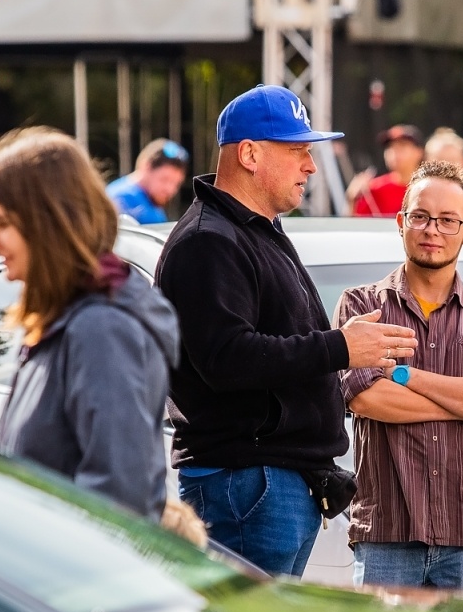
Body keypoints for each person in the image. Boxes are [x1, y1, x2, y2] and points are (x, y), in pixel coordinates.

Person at [156, 86, 419, 576]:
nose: (311, 166)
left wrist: (347, 344)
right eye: (298, 151)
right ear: (250, 153)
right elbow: (228, 359)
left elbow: (269, 343)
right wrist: (341, 346)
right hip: (247, 484)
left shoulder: (253, 229)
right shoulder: (207, 241)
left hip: (270, 484)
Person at [335, 160, 463, 590]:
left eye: (447, 220)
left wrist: (404, 376)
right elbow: (367, 400)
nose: (432, 230)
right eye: (420, 217)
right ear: (401, 223)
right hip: (388, 533)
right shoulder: (361, 309)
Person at [0, 128, 180, 520]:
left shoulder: (102, 329)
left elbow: (118, 504)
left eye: (0, 223)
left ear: (49, 222)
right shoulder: (73, 316)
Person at [106, 138, 191, 224]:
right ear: (146, 167)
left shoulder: (152, 201)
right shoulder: (120, 200)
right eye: (164, 179)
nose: (170, 189)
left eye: (176, 184)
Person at [350, 124, 424, 216]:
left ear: (419, 152)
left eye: (402, 147)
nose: (394, 153)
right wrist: (351, 200)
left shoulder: (427, 188)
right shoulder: (373, 189)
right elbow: (356, 224)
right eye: (390, 148)